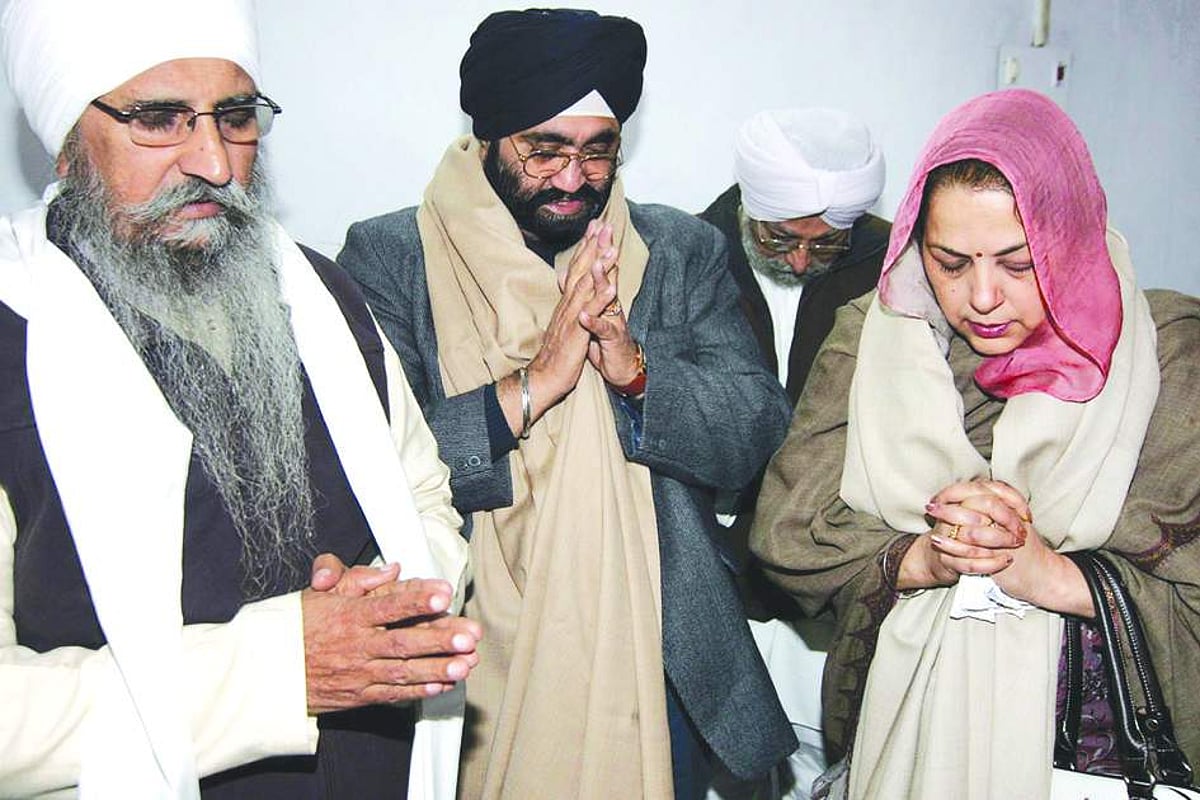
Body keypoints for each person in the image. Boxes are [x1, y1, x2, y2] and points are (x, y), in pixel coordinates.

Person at [0, 0, 479, 796]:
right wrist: (280, 668)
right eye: (159, 119)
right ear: (65, 145)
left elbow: (426, 499)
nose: (215, 163)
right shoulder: (13, 337)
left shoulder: (324, 295)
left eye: (235, 117)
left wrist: (393, 607)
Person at [337, 8, 796, 799]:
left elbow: (755, 436)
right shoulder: (389, 257)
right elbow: (371, 474)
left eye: (597, 150)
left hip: (656, 653)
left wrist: (635, 370)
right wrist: (536, 382)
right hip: (470, 656)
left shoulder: (679, 250)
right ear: (488, 136)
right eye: (543, 150)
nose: (573, 178)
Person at [751, 87, 1200, 799]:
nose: (982, 297)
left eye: (1019, 264)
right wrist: (925, 558)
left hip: (1098, 754)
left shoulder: (1169, 353)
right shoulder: (872, 338)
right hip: (907, 739)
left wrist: (1048, 574)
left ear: (1073, 237)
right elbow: (788, 533)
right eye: (949, 262)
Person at [699, 108, 888, 799]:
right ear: (751, 205)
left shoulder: (893, 265)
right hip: (720, 571)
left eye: (827, 245)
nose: (803, 261)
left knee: (837, 761)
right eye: (782, 239)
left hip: (835, 571)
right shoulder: (691, 251)